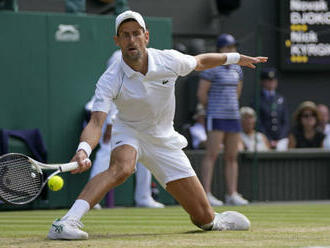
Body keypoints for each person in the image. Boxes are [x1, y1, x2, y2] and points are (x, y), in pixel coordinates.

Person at [47, 10, 267, 240]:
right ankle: (66, 222)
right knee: (121, 168)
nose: (131, 40)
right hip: (129, 131)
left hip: (163, 139)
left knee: (204, 220)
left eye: (136, 34)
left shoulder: (168, 60)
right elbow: (96, 122)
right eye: (125, 35)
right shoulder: (110, 79)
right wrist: (83, 149)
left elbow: (200, 62)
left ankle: (216, 219)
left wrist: (235, 58)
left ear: (146, 36)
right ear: (117, 41)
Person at [86, 97, 164, 209]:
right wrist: (109, 125)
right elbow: (113, 105)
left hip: (125, 121)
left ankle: (143, 197)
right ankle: (91, 198)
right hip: (98, 116)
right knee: (106, 151)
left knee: (144, 153)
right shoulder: (122, 82)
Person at [198, 33, 248, 206]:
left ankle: (232, 194)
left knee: (232, 156)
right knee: (211, 154)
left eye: (233, 47)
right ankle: (206, 193)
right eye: (228, 47)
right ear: (220, 49)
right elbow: (202, 94)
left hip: (233, 116)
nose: (232, 50)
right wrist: (213, 108)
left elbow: (237, 92)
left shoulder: (237, 68)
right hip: (216, 116)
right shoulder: (211, 67)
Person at [253, 67, 289, 150]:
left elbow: (285, 122)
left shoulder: (281, 98)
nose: (271, 82)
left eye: (273, 80)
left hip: (281, 138)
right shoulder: (257, 99)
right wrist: (268, 139)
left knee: (282, 147)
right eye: (268, 80)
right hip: (263, 137)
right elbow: (258, 123)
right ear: (262, 81)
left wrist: (280, 139)